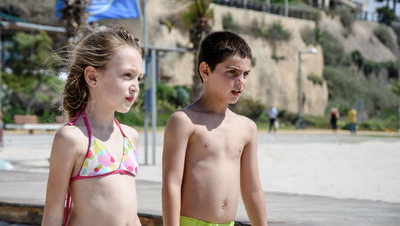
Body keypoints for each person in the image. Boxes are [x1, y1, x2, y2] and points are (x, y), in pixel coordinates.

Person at [162, 31, 268, 226]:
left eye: (245, 74)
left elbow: (252, 189)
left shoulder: (247, 128)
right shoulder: (184, 121)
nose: (241, 81)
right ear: (205, 71)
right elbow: (171, 184)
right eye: (232, 73)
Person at [42, 26, 143, 226]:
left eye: (139, 78)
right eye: (127, 75)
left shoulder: (130, 137)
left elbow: (129, 213)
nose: (135, 86)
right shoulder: (72, 138)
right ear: (92, 77)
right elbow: (53, 214)